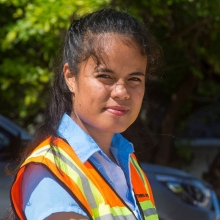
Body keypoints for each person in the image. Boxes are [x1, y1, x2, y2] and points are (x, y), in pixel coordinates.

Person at [9, 8, 162, 220]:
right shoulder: (52, 172)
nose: (122, 92)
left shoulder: (126, 159)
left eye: (134, 79)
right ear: (70, 77)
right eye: (105, 76)